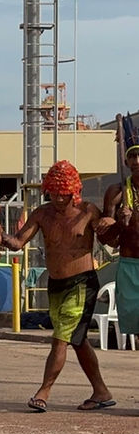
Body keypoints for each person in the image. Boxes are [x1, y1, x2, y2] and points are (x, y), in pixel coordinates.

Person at [2, 160, 115, 412]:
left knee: (60, 339)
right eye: (54, 193)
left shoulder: (88, 211)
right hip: (56, 285)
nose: (59, 199)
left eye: (64, 193)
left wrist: (110, 223)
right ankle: (101, 391)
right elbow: (18, 242)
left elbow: (110, 240)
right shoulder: (42, 213)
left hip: (82, 283)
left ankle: (43, 392)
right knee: (77, 340)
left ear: (74, 192)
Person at [100, 144, 139, 343]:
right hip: (129, 264)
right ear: (126, 161)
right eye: (132, 156)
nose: (137, 161)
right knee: (136, 323)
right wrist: (119, 224)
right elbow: (105, 238)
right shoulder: (116, 192)